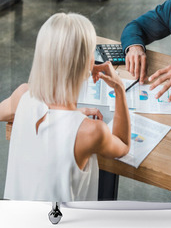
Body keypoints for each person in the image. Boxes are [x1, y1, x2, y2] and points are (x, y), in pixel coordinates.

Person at [0, 13, 131, 202]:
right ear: (85, 63)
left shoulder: (22, 96)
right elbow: (123, 145)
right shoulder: (92, 132)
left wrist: (73, 113)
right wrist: (119, 88)